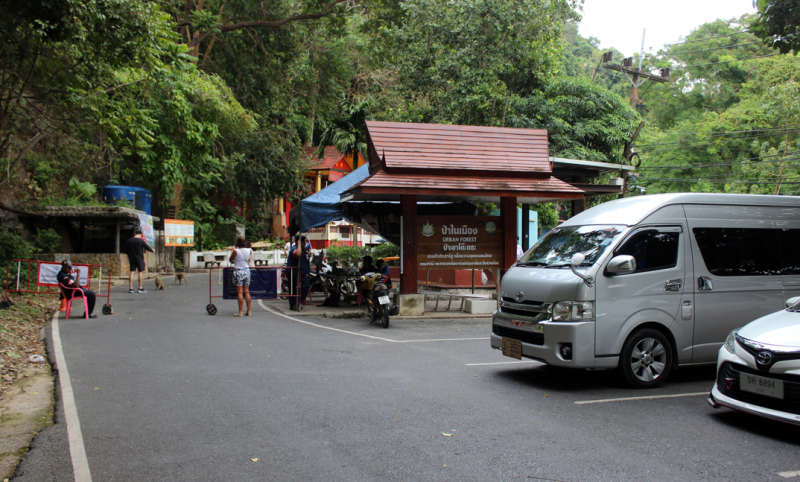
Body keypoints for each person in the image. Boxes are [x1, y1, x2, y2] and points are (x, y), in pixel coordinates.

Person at [229, 236, 252, 316]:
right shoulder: (249, 251)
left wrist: (233, 251)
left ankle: (240, 311)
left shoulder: (236, 251)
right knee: (247, 291)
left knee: (240, 292)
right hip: (246, 271)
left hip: (238, 271)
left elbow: (230, 260)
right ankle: (249, 311)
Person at [126, 229, 154, 293]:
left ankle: (130, 288)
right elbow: (147, 247)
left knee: (132, 272)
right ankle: (140, 288)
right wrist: (152, 250)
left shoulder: (129, 241)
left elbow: (126, 250)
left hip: (131, 258)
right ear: (140, 235)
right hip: (139, 258)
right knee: (140, 272)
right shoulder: (141, 241)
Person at [287, 235, 310, 310]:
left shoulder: (302, 249)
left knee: (298, 287)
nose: (305, 243)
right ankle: (297, 302)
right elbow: (298, 254)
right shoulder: (295, 248)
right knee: (303, 285)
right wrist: (299, 244)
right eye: (304, 241)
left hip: (300, 272)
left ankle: (296, 303)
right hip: (294, 272)